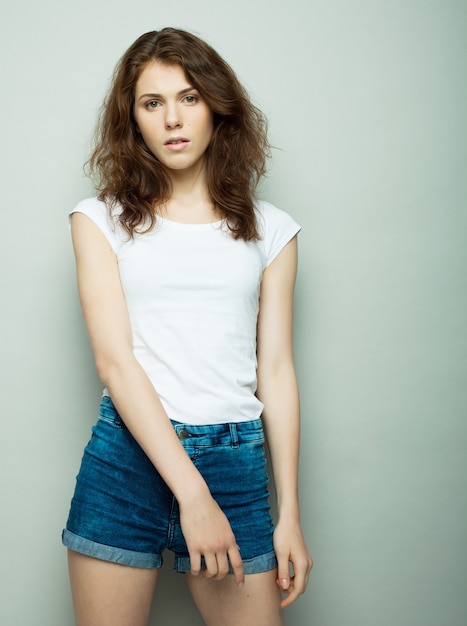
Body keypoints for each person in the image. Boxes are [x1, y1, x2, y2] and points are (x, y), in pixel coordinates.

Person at [62, 27, 313, 626]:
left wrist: (290, 515)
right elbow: (115, 363)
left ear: (216, 106)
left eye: (189, 97)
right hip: (128, 458)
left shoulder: (273, 230)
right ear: (134, 120)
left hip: (234, 461)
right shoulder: (98, 220)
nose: (173, 118)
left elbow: (275, 370)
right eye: (153, 103)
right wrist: (193, 496)